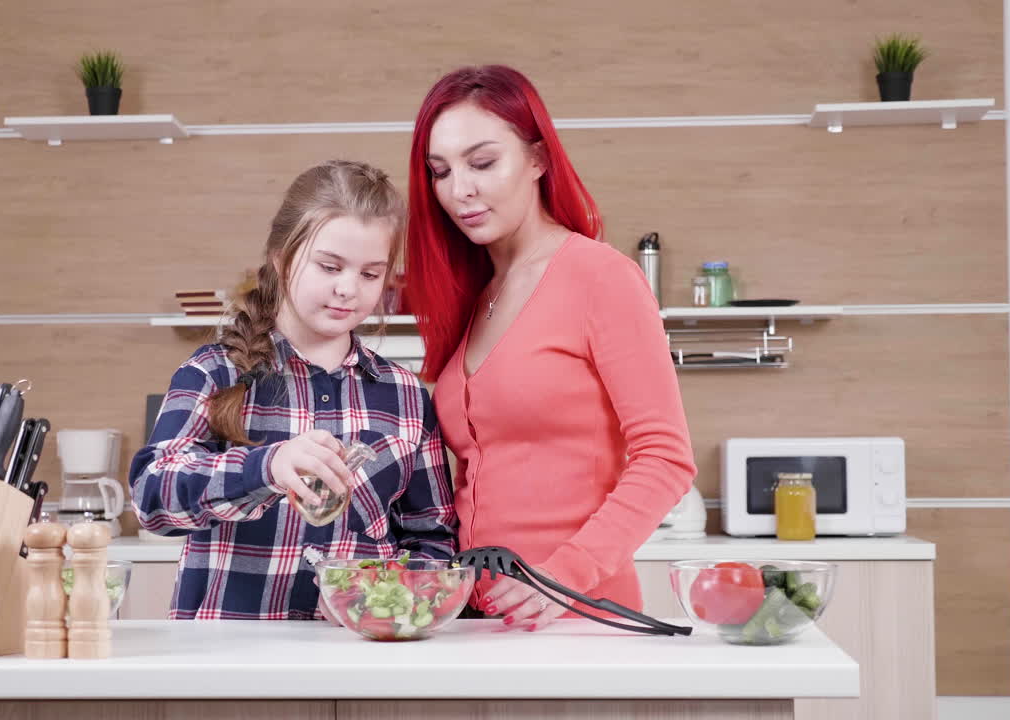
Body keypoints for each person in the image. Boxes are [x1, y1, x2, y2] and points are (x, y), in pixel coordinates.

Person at [404, 66, 696, 630]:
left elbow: (665, 457)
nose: (458, 189)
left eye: (482, 163)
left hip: (578, 616)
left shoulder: (599, 277)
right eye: (440, 172)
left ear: (538, 159)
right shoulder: (474, 295)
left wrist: (563, 577)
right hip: (472, 619)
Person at [130, 160, 457, 620]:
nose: (348, 289)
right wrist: (268, 466)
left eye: (370, 274)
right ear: (281, 259)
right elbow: (151, 498)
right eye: (329, 266)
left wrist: (388, 599)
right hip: (226, 662)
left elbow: (433, 539)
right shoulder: (214, 372)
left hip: (357, 663)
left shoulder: (405, 395)